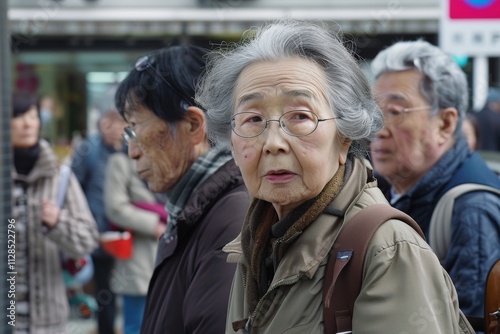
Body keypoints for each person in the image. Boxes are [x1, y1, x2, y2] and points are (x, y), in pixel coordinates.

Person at [195, 20, 473, 333]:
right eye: (253, 119)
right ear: (231, 141)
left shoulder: (388, 250)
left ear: (345, 137)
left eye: (300, 116)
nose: (273, 142)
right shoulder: (256, 240)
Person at [114, 45, 250, 334]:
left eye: (135, 129)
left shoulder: (232, 218)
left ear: (192, 124)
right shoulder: (199, 208)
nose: (132, 151)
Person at [369, 39, 500, 318]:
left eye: (394, 112)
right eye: (373, 112)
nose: (377, 130)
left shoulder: (471, 209)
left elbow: (471, 322)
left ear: (445, 123)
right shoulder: (384, 191)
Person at [10, 91, 99, 333]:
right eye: (18, 116)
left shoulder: (60, 177)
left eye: (32, 116)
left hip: (48, 319)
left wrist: (58, 222)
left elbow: (88, 240)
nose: (27, 123)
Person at [71, 109, 126, 334]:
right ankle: (106, 328)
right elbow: (74, 188)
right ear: (101, 125)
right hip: (99, 234)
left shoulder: (130, 151)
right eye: (108, 124)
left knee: (132, 288)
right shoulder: (89, 151)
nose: (114, 130)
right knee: (105, 289)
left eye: (120, 125)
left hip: (128, 235)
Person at [104, 150, 167, 334]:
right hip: (138, 255)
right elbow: (115, 208)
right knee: (136, 325)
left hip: (168, 252)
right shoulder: (120, 161)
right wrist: (154, 225)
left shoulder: (167, 154)